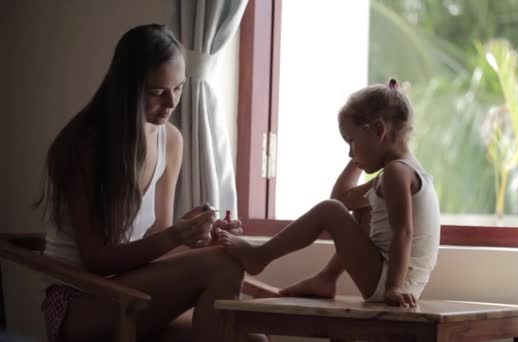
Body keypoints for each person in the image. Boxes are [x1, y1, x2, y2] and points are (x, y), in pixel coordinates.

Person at [36, 24, 246, 342]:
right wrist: (176, 236)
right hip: (78, 299)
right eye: (156, 91)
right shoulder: (86, 143)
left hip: (128, 289)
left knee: (249, 339)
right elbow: (95, 260)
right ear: (128, 88)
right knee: (221, 267)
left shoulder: (170, 141)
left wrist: (193, 236)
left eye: (178, 88)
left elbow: (155, 239)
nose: (172, 102)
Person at [219, 79, 441, 307]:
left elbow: (403, 232)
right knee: (361, 213)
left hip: (392, 281)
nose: (349, 154)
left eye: (351, 141)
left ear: (378, 130)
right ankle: (327, 278)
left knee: (329, 211)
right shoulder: (403, 171)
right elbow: (343, 199)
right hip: (398, 278)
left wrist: (393, 287)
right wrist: (360, 155)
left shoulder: (396, 172)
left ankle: (260, 256)